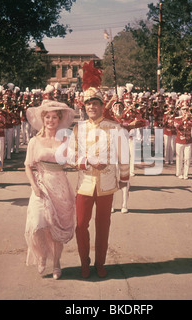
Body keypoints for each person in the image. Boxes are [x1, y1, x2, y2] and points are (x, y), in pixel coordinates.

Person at [68, 85, 130, 279]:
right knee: (80, 225)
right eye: (88, 104)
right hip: (84, 185)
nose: (92, 107)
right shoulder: (79, 128)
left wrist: (124, 178)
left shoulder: (114, 127)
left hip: (107, 184)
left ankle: (100, 263)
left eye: (95, 103)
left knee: (103, 225)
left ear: (102, 106)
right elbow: (70, 155)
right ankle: (84, 261)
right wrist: (84, 161)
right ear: (84, 107)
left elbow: (124, 155)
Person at [24, 100, 75, 278]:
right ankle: (41, 255)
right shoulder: (34, 141)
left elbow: (73, 161)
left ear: (59, 120)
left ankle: (56, 263)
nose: (51, 121)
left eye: (54, 117)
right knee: (37, 224)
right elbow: (28, 166)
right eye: (47, 117)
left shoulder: (66, 140)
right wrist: (34, 186)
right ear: (42, 119)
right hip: (41, 185)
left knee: (56, 228)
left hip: (60, 186)